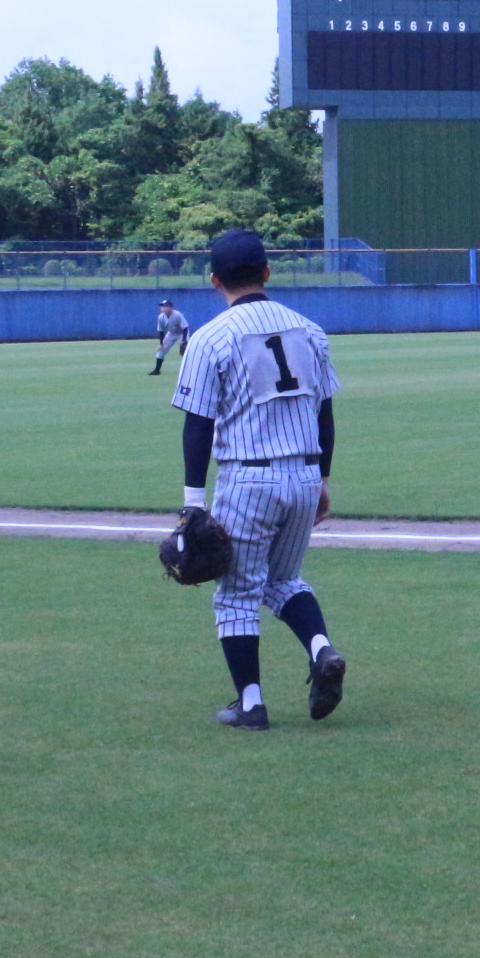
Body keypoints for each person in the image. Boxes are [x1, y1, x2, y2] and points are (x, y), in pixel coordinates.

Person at [170, 229, 346, 731]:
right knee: (282, 580)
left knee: (235, 595)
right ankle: (321, 648)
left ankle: (250, 706)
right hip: (305, 474)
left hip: (248, 482)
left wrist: (193, 503)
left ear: (214, 281)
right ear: (268, 273)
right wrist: (323, 479)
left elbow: (198, 422)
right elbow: (325, 414)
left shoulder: (208, 338)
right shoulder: (309, 330)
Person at [150, 297, 192, 374]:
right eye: (162, 306)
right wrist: (161, 344)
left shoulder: (177, 315)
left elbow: (185, 327)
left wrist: (184, 340)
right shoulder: (161, 317)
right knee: (161, 351)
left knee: (187, 350)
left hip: (182, 333)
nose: (163, 308)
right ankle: (157, 370)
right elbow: (161, 331)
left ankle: (190, 370)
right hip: (171, 333)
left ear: (170, 307)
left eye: (165, 306)